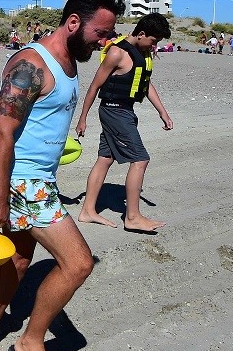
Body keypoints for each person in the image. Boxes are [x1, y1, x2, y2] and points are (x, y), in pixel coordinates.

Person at [0, 0, 125, 351]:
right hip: (24, 181)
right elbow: (2, 132)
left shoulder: (70, 59)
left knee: (18, 262)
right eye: (100, 32)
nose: (104, 41)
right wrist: (0, 196)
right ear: (74, 23)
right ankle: (31, 342)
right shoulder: (31, 63)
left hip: (40, 178)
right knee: (78, 263)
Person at [75, 13, 175, 232]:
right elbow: (94, 86)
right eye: (153, 41)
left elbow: (146, 84)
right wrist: (82, 118)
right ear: (141, 34)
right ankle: (132, 217)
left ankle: (87, 211)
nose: (154, 46)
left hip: (125, 111)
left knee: (105, 159)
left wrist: (163, 112)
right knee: (140, 159)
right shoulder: (117, 53)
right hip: (114, 111)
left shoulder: (142, 52)